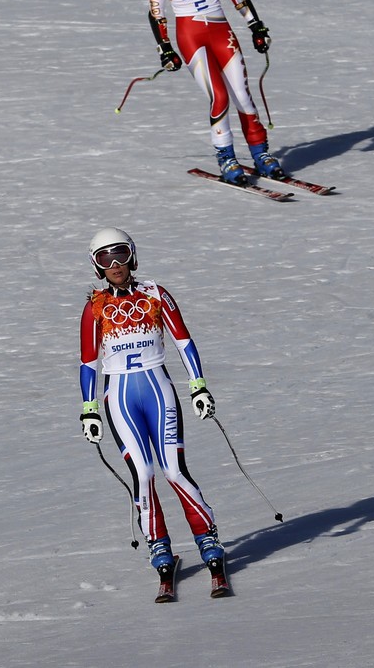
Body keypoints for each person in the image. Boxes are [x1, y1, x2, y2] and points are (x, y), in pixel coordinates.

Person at [78, 226, 227, 594]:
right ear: (96, 265)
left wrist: (198, 386)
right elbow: (87, 363)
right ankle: (159, 547)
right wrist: (89, 409)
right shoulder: (94, 305)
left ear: (132, 255)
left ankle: (207, 540)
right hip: (121, 395)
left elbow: (183, 339)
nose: (115, 264)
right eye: (104, 258)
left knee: (174, 471)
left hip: (157, 388)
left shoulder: (155, 294)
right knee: (143, 473)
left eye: (120, 254)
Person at [148, 0, 284, 186]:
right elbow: (156, 11)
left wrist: (255, 26)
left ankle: (261, 154)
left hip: (222, 33)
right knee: (219, 97)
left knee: (243, 96)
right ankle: (227, 158)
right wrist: (166, 48)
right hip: (190, 37)